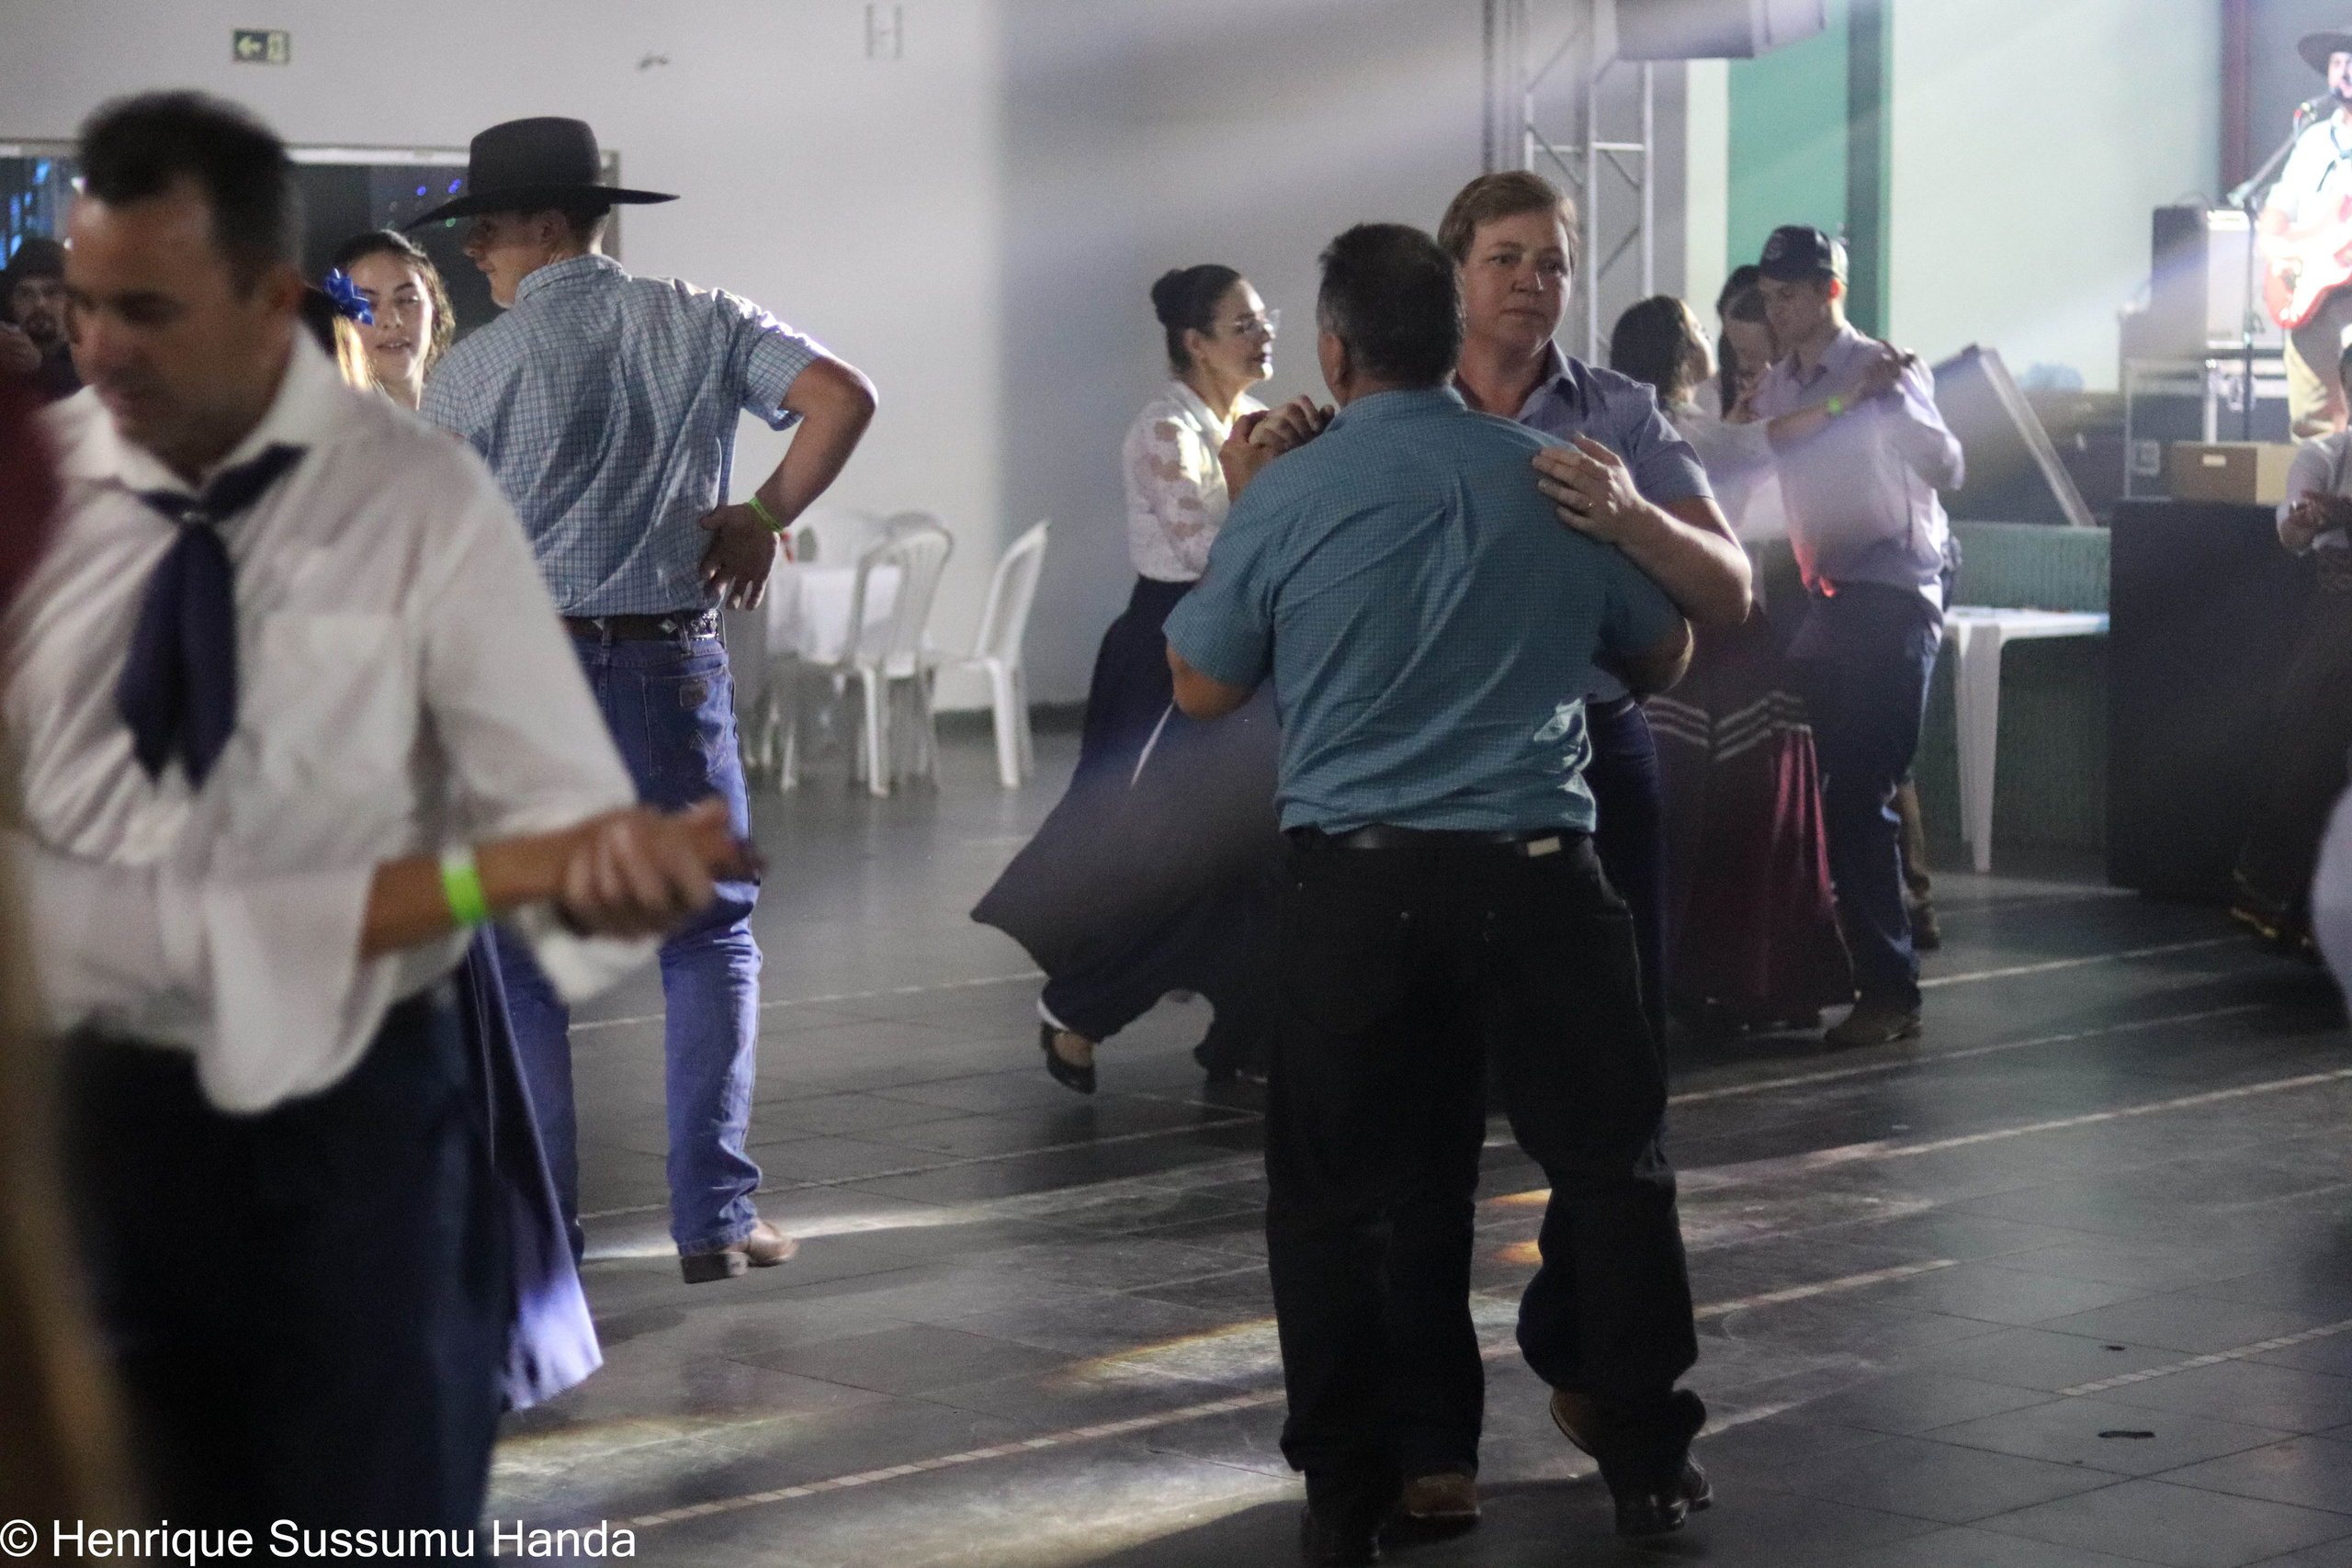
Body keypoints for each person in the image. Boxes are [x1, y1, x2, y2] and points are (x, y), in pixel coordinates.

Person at [10, 90, 750, 1531]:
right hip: (119, 1088)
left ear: (262, 298)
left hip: (356, 1083)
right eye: (86, 305)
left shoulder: (414, 497)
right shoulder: (48, 508)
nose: (100, 346)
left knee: (381, 1473)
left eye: (146, 306)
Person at [1165, 222, 1706, 1562]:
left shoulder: (1289, 489)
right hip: (1539, 876)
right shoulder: (1552, 474)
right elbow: (1665, 651)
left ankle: (1363, 1478)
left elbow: (1204, 683)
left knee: (1347, 1195)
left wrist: (1252, 505)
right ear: (1449, 335)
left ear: (1336, 349)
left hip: (1359, 886)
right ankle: (1646, 1460)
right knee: (1612, 1171)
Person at [417, 116, 877, 1282]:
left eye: (483, 226)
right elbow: (843, 397)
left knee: (522, 962)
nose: (472, 247)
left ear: (543, 225)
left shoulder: (471, 370)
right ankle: (716, 1220)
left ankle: (542, 1240)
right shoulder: (701, 317)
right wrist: (761, 518)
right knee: (707, 941)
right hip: (672, 664)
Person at [1440, 171, 1750, 1055]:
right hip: (1444, 751)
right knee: (1451, 1040)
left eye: (1554, 264)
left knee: (1615, 1026)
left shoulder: (1619, 410)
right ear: (1455, 272)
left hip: (1593, 741)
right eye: (1504, 258)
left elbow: (1729, 588)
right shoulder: (1401, 408)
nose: (1532, 282)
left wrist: (1631, 517)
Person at [974, 265, 1288, 1092]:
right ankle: (1080, 1005)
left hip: (1243, 645)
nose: (1264, 337)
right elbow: (1207, 557)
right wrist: (1263, 485)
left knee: (1262, 846)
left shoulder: (1256, 422)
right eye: (1243, 325)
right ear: (1194, 342)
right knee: (1168, 849)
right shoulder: (1165, 432)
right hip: (1172, 648)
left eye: (1265, 321)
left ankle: (1245, 1034)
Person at [1610, 293, 1852, 1035]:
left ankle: (1675, 974)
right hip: (1720, 632)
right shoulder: (1678, 433)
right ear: (1685, 355)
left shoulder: (1628, 425)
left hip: (1649, 630)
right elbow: (1775, 443)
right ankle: (1743, 977)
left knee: (1679, 817)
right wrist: (1852, 398)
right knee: (1753, 809)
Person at [1751, 224, 1963, 1049]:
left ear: (1831, 291)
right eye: (1770, 297)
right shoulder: (1784, 386)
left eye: (1792, 294)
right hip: (1829, 598)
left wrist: (1887, 404)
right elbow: (1771, 441)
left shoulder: (1884, 367)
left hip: (1892, 590)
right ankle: (1809, 972)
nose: (1780, 310)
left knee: (1856, 787)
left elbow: (1950, 468)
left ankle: (1891, 987)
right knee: (1790, 768)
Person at [2232, 341, 2352, 956]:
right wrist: (2306, 520)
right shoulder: (2325, 453)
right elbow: (2290, 527)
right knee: (2307, 757)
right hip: (2338, 621)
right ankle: (2297, 906)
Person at [2262, 25, 2352, 437]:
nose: (2346, 69)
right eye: (2338, 62)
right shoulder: (2314, 139)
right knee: (2313, 424)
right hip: (2310, 297)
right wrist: (2275, 248)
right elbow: (2280, 206)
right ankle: (2318, 503)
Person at [330, 228, 456, 411]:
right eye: (367, 304)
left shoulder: (466, 413)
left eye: (407, 300)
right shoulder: (327, 428)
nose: (392, 319)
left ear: (434, 307)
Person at [1, 236, 84, 401]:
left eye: (51, 292)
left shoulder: (88, 360)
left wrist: (41, 368)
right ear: (10, 302)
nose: (39, 304)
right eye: (26, 294)